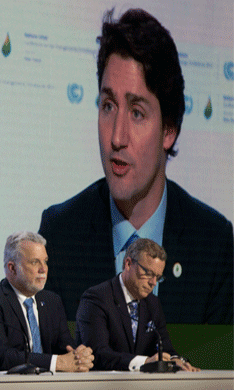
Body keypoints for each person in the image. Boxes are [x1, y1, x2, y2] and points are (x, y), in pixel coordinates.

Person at [38, 8, 233, 324]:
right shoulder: (60, 236)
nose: (116, 136)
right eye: (108, 106)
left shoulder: (212, 244)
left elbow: (216, 369)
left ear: (168, 130)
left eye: (137, 113)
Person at [0, 231, 93, 372]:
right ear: (12, 268)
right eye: (34, 262)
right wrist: (55, 362)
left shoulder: (52, 301)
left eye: (45, 261)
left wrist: (80, 356)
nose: (43, 269)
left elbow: (66, 348)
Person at [76, 238, 199, 371]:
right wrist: (144, 361)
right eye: (149, 274)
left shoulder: (153, 303)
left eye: (158, 277)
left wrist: (176, 361)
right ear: (128, 264)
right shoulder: (97, 298)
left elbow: (165, 348)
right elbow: (98, 354)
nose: (153, 283)